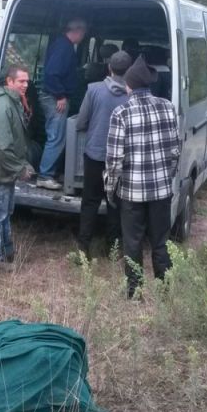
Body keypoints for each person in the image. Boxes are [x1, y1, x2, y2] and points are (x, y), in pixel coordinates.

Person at [104, 55, 181, 298]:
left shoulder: (121, 112)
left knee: (133, 243)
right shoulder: (168, 107)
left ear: (129, 85)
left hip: (132, 193)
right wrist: (166, 177)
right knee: (161, 241)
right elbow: (175, 150)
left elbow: (115, 159)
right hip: (161, 190)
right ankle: (165, 289)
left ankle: (135, 292)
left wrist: (110, 188)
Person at [75, 50, 132, 259]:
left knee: (89, 201)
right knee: (115, 204)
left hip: (94, 155)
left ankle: (83, 248)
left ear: (109, 68)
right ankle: (114, 250)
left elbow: (81, 122)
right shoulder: (131, 96)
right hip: (120, 159)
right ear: (130, 71)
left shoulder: (93, 89)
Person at [0, 65, 34, 265]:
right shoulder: (3, 105)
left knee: (4, 213)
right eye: (21, 81)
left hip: (4, 170)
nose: (26, 85)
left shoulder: (13, 102)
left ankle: (5, 251)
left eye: (27, 81)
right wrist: (20, 168)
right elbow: (2, 146)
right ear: (9, 82)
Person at [36, 18, 87, 190]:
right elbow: (52, 73)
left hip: (53, 95)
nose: (84, 36)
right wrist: (60, 96)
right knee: (56, 136)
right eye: (84, 32)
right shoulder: (64, 47)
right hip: (53, 97)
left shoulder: (63, 45)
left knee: (57, 136)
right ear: (78, 31)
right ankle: (44, 176)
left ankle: (50, 171)